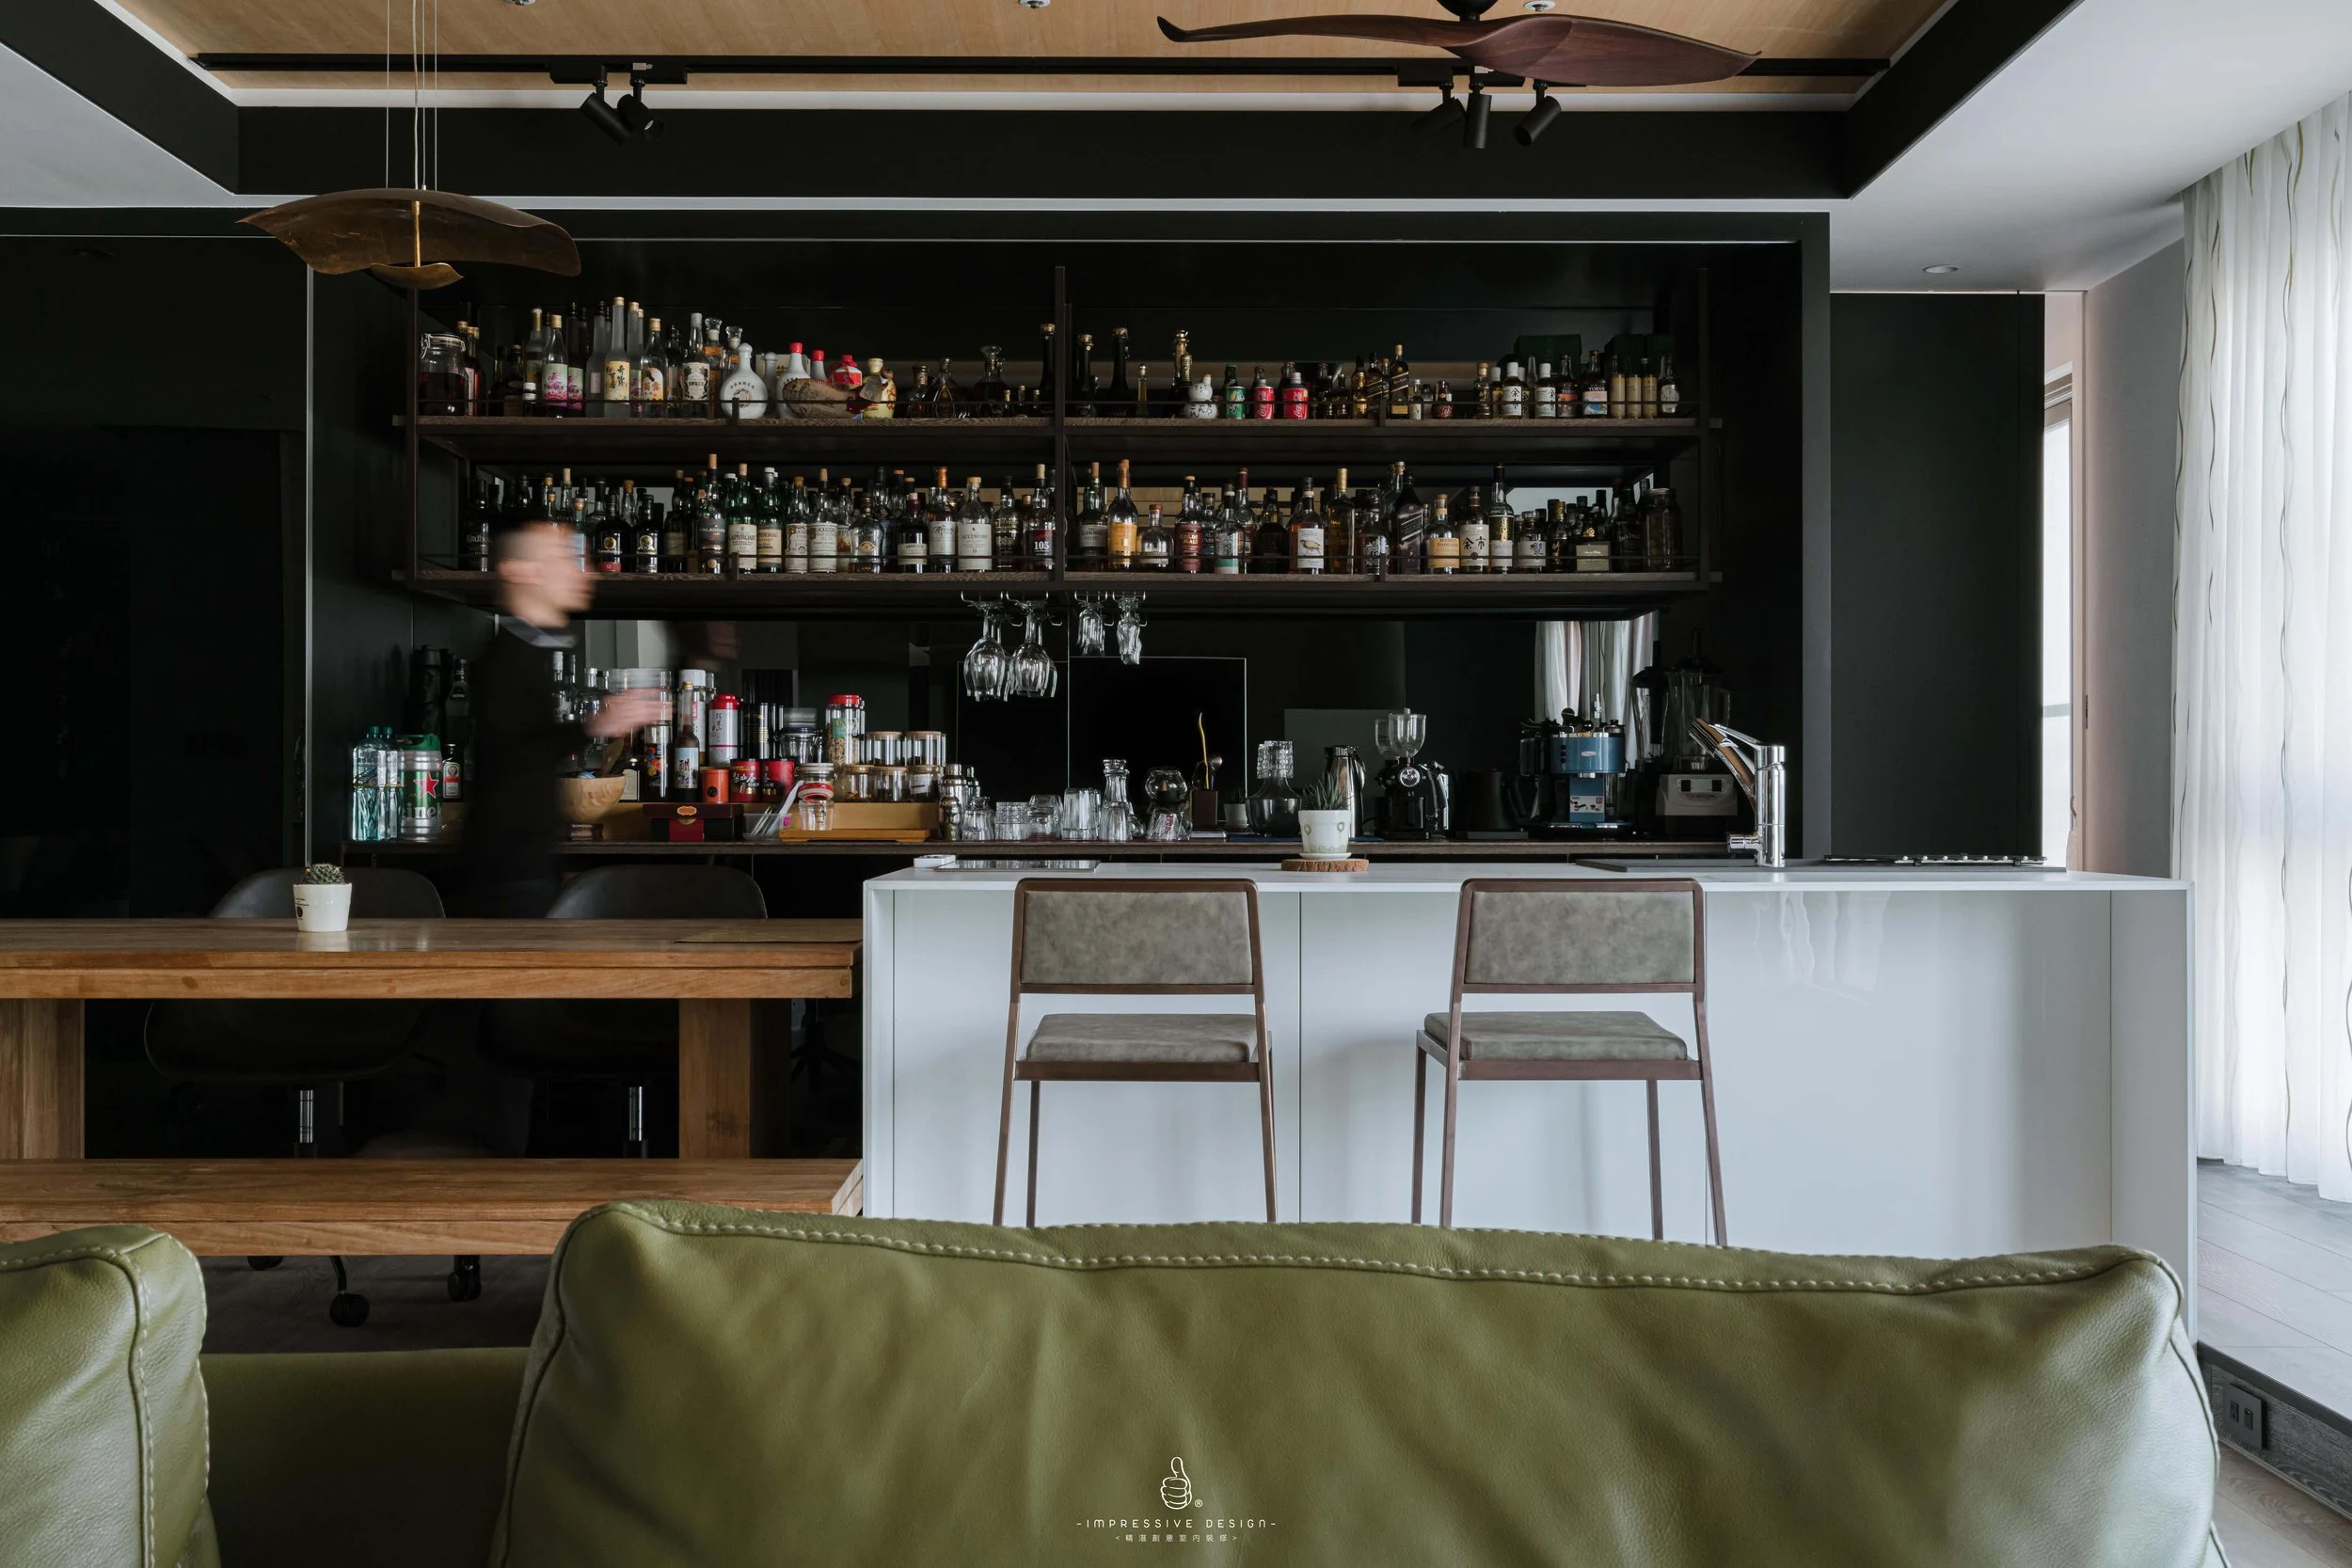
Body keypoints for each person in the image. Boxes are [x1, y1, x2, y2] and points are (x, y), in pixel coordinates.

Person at [460, 514, 662, 917]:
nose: (584, 571)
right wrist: (595, 726)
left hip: (521, 860)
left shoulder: (529, 650)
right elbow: (514, 755)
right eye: (565, 558)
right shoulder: (504, 659)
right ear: (521, 572)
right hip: (504, 870)